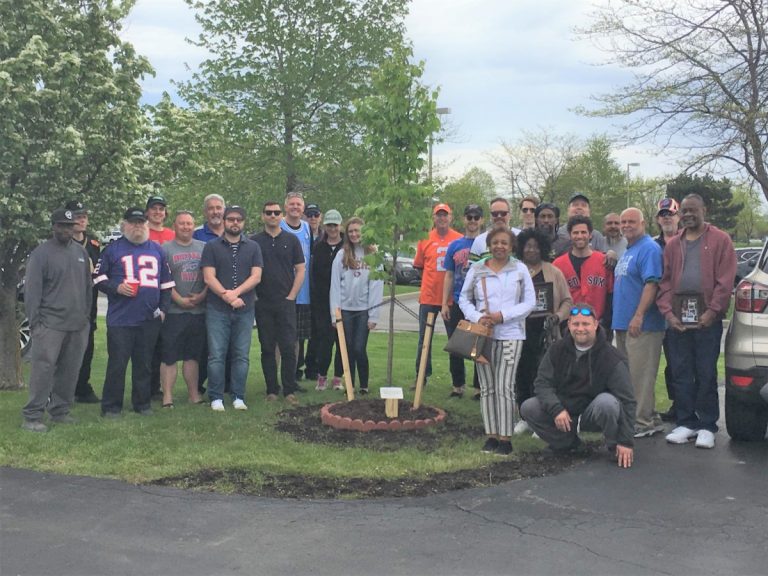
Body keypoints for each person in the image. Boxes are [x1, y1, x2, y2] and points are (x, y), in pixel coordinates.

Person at [658, 194, 736, 449]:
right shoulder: (673, 245)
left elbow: (725, 282)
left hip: (707, 322)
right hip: (678, 322)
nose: (689, 214)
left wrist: (712, 312)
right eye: (685, 211)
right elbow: (665, 282)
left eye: (694, 210)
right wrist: (669, 314)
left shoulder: (720, 240)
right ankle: (686, 422)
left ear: (704, 210)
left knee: (705, 373)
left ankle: (707, 425)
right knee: (680, 372)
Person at [520, 303, 636, 468]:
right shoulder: (556, 350)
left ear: (595, 325)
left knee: (607, 403)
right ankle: (568, 444)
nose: (580, 329)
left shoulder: (612, 357)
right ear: (569, 325)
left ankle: (614, 446)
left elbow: (628, 400)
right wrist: (556, 409)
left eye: (586, 324)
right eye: (576, 324)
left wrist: (626, 441)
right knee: (529, 407)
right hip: (564, 412)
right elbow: (542, 383)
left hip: (593, 414)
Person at [459, 228, 535, 456]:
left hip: (511, 333)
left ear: (511, 246)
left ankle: (505, 437)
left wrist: (503, 315)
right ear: (489, 245)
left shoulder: (520, 269)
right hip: (483, 335)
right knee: (487, 387)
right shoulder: (478, 268)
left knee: (504, 386)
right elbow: (464, 297)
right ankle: (491, 435)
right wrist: (476, 317)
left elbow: (529, 302)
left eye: (504, 243)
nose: (499, 246)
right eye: (495, 243)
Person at [94, 207, 174, 417]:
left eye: (141, 222)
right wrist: (116, 287)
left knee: (145, 364)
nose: (138, 226)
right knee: (117, 364)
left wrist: (164, 310)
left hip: (149, 318)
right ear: (125, 225)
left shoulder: (157, 250)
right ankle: (111, 406)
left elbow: (166, 284)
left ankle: (142, 403)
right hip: (121, 319)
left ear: (146, 224)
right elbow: (98, 278)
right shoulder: (112, 249)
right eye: (133, 222)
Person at [21, 208, 92, 432]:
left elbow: (88, 289)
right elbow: (32, 292)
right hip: (49, 324)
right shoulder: (41, 254)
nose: (66, 230)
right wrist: (36, 324)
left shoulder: (81, 253)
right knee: (43, 369)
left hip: (77, 324)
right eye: (61, 225)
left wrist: (86, 318)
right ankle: (32, 416)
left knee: (70, 370)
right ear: (53, 226)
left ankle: (60, 411)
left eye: (69, 226)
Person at [200, 206, 262, 411]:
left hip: (245, 309)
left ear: (244, 222)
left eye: (239, 220)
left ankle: (238, 396)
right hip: (217, 309)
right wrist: (227, 297)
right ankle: (216, 397)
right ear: (224, 221)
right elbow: (209, 277)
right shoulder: (211, 246)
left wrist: (235, 293)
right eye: (231, 219)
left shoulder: (253, 247)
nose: (235, 223)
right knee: (216, 354)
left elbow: (256, 276)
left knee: (241, 355)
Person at [612, 207, 665, 438]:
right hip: (624, 324)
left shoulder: (649, 249)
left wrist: (639, 315)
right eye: (623, 222)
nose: (626, 225)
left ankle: (641, 423)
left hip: (642, 325)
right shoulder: (629, 250)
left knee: (640, 376)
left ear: (643, 223)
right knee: (630, 375)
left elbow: (651, 284)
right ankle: (650, 417)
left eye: (631, 221)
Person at [513, 228, 572, 434]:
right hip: (519, 330)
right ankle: (524, 416)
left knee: (544, 375)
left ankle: (542, 418)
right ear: (521, 248)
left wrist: (558, 316)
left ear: (543, 249)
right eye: (528, 246)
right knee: (521, 373)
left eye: (536, 246)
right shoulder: (514, 270)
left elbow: (567, 300)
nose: (531, 250)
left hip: (546, 332)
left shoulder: (553, 272)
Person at [251, 201, 306, 406]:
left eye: (276, 213)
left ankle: (289, 390)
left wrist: (292, 295)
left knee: (288, 347)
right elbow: (250, 270)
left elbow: (300, 269)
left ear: (281, 216)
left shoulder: (291, 240)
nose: (272, 216)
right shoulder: (254, 242)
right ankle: (272, 390)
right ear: (263, 215)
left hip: (286, 302)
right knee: (267, 347)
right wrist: (254, 295)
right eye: (269, 213)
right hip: (263, 302)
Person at [329, 217, 384, 394]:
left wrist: (374, 315)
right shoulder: (341, 255)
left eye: (357, 231)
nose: (353, 234)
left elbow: (376, 286)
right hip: (345, 310)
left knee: (359, 348)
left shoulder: (373, 256)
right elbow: (335, 285)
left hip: (363, 311)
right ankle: (350, 385)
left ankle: (364, 385)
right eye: (350, 231)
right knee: (348, 349)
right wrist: (334, 314)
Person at [160, 210, 208, 407]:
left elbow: (211, 276)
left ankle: (194, 395)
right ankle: (167, 397)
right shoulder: (164, 249)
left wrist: (202, 296)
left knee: (192, 356)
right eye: (182, 223)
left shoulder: (204, 247)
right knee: (169, 356)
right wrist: (178, 299)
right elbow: (162, 279)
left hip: (198, 311)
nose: (186, 227)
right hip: (174, 312)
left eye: (189, 223)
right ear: (175, 226)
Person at [413, 203, 463, 387]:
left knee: (454, 341)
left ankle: (458, 382)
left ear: (451, 217)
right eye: (438, 215)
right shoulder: (424, 239)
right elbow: (419, 267)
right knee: (424, 339)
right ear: (433, 218)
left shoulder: (459, 239)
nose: (442, 218)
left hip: (450, 299)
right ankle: (421, 377)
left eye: (445, 215)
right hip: (428, 298)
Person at [442, 204, 484, 398]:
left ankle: (479, 387)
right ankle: (457, 385)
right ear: (464, 219)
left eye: (476, 217)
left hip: (481, 303)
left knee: (480, 346)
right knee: (456, 345)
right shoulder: (456, 245)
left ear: (481, 220)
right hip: (459, 300)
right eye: (469, 217)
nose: (473, 221)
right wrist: (444, 302)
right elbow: (449, 274)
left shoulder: (487, 243)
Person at [64, 200, 101, 404]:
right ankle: (62, 389)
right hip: (68, 302)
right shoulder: (63, 243)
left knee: (87, 348)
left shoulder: (93, 243)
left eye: (84, 216)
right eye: (77, 216)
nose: (81, 220)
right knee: (65, 348)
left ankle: (82, 388)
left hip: (90, 303)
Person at [192, 193, 226, 396]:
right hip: (205, 297)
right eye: (211, 208)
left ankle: (228, 384)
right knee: (205, 346)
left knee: (229, 346)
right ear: (205, 212)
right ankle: (200, 384)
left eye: (218, 207)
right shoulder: (198, 235)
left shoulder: (234, 231)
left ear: (224, 209)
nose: (215, 212)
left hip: (229, 297)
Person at [552, 216, 613, 324]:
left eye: (583, 232)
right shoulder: (558, 264)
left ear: (590, 235)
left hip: (598, 325)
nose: (580, 236)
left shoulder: (603, 261)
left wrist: (607, 322)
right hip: (568, 325)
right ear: (570, 235)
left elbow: (610, 294)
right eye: (575, 233)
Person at [310, 209, 345, 391]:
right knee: (325, 341)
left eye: (335, 225)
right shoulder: (319, 247)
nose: (332, 228)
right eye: (329, 225)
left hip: (344, 301)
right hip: (323, 302)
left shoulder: (348, 246)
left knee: (342, 342)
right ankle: (321, 376)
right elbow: (314, 275)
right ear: (325, 226)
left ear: (340, 225)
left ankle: (338, 377)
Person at [281, 191, 313, 388]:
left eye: (298, 204)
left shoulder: (308, 228)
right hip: (284, 292)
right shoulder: (280, 225)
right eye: (291, 204)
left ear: (303, 208)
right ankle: (276, 379)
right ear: (286, 207)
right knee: (280, 339)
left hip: (303, 293)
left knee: (297, 339)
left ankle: (291, 378)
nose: (295, 207)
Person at [654, 197, 681, 422]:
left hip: (680, 310)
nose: (667, 218)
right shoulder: (652, 245)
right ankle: (675, 403)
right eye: (663, 215)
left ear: (678, 217)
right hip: (655, 310)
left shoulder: (686, 240)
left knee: (679, 360)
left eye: (671, 214)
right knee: (662, 361)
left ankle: (684, 404)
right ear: (657, 219)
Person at [145, 194, 175, 399]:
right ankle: (146, 387)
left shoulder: (171, 234)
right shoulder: (142, 233)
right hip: (148, 294)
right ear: (147, 211)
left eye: (161, 209)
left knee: (164, 346)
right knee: (148, 345)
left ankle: (158, 387)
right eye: (154, 208)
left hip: (169, 293)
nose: (158, 212)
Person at [555, 193, 611, 257]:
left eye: (583, 205)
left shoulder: (597, 236)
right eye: (575, 205)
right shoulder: (558, 234)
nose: (579, 208)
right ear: (568, 210)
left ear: (589, 211)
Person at [302, 202, 322, 379]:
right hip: (301, 289)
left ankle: (312, 368)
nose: (313, 218)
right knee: (299, 332)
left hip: (318, 291)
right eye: (309, 215)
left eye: (316, 214)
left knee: (316, 332)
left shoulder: (326, 236)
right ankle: (296, 368)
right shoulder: (301, 234)